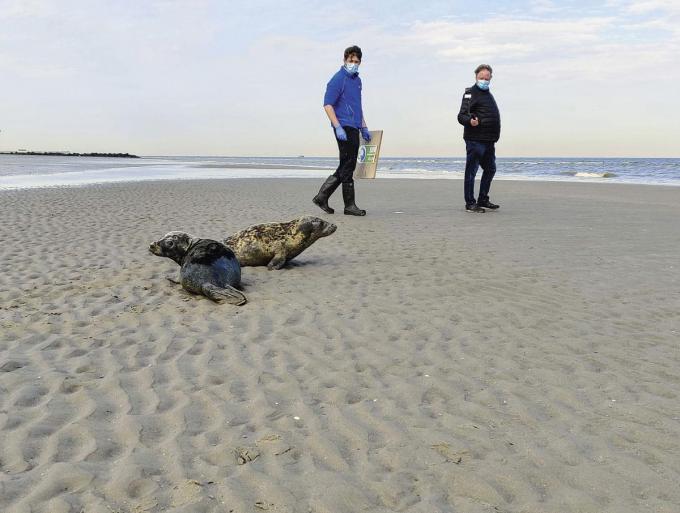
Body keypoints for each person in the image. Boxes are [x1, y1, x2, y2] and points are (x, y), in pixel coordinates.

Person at [313, 45, 371, 216]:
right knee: (349, 164)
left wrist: (364, 126)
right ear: (345, 60)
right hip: (343, 126)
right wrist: (337, 126)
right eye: (351, 60)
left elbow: (357, 107)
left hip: (354, 126)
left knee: (346, 164)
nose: (354, 64)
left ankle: (322, 196)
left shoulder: (357, 81)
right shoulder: (338, 79)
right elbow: (327, 104)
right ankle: (349, 205)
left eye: (357, 61)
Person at [457, 64, 501, 213]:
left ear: (491, 78)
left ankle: (483, 199)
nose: (484, 80)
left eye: (486, 78)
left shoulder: (488, 94)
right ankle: (470, 203)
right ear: (476, 77)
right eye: (481, 78)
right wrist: (470, 121)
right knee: (471, 171)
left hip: (489, 140)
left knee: (490, 169)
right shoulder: (470, 93)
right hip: (475, 139)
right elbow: (461, 115)